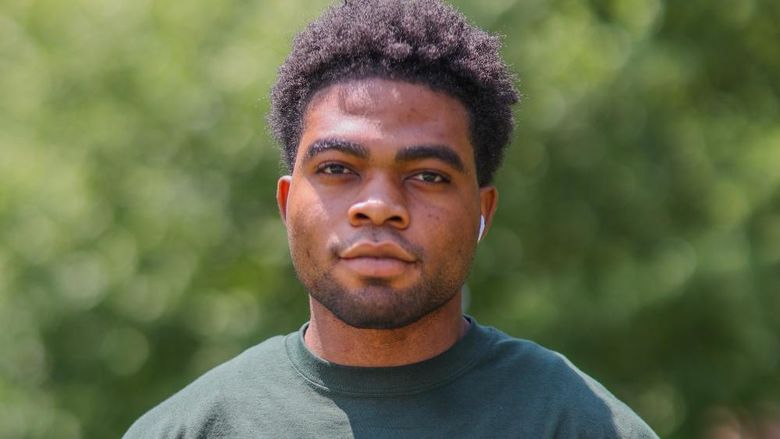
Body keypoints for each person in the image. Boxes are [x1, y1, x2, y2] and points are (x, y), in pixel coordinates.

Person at [124, 0, 659, 437]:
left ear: (481, 212)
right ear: (287, 204)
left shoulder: (578, 425)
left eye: (427, 175)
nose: (379, 205)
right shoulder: (191, 430)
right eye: (337, 168)